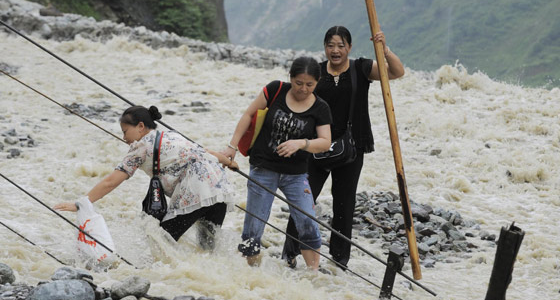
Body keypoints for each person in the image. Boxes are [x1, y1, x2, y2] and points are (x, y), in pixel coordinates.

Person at [282, 26, 405, 270]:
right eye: (330, 45)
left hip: (351, 147)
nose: (335, 50)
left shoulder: (361, 68)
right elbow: (297, 99)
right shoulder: (315, 71)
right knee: (303, 200)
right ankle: (290, 254)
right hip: (316, 146)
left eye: (341, 45)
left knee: (344, 204)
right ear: (325, 47)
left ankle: (339, 261)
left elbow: (396, 72)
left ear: (349, 47)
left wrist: (384, 50)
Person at [54, 105, 238, 247]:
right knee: (207, 245)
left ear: (141, 126)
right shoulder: (171, 135)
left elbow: (111, 181)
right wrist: (229, 163)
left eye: (125, 131)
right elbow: (205, 152)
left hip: (197, 193)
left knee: (161, 241)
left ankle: (168, 279)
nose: (124, 138)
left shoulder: (141, 147)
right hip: (220, 191)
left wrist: (81, 204)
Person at [222, 57, 332, 270]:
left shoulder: (320, 108)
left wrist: (301, 143)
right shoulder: (276, 89)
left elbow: (325, 142)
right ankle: (249, 273)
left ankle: (313, 273)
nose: (303, 89)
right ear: (291, 78)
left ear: (317, 83)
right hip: (263, 168)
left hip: (296, 175)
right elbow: (249, 114)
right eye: (299, 83)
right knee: (254, 226)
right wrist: (232, 146)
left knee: (307, 220)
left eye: (310, 85)